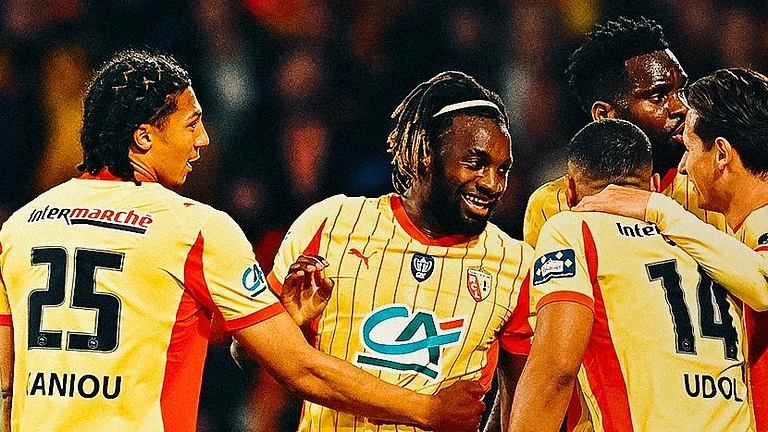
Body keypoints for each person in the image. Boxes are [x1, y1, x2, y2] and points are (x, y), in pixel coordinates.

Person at [0, 49, 487, 432]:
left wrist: (282, 321)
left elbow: (6, 385)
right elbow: (303, 372)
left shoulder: (20, 227)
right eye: (191, 123)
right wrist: (426, 410)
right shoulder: (194, 228)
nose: (204, 140)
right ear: (144, 138)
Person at [236, 70, 535, 432]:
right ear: (425, 153)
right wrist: (285, 322)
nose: (492, 184)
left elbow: (527, 403)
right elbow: (244, 353)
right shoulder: (332, 223)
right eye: (475, 164)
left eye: (502, 169)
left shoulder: (517, 264)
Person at [508, 118, 768, 432]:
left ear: (571, 190)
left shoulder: (572, 229)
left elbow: (556, 371)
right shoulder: (715, 241)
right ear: (655, 186)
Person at [574, 67, 768, 431]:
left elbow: (765, 284)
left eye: (690, 148)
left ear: (722, 153)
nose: (682, 166)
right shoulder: (734, 242)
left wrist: (659, 209)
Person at [524, 16, 726, 249]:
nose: (682, 107)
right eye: (658, 97)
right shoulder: (551, 204)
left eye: (681, 91)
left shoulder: (714, 188)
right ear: (604, 115)